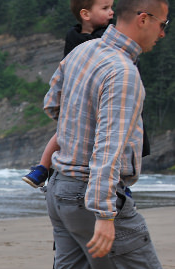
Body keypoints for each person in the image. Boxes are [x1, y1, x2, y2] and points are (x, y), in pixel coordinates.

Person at [17, 0, 169, 269]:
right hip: (90, 194)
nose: (162, 34)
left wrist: (75, 121)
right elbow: (108, 149)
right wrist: (104, 213)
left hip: (61, 188)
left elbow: (53, 104)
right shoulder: (123, 73)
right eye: (163, 24)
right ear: (143, 19)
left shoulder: (82, 52)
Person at [22, 0, 114, 188]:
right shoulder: (74, 37)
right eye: (105, 8)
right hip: (77, 96)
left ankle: (120, 185)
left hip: (99, 96)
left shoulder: (109, 34)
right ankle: (42, 167)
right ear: (85, 14)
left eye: (112, 7)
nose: (112, 12)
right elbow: (66, 68)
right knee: (62, 134)